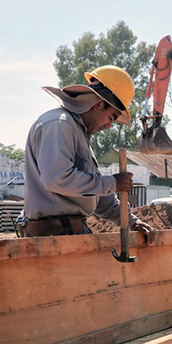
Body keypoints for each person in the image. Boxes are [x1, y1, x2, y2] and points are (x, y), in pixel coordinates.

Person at [24, 66, 152, 238]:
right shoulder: (60, 124)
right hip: (53, 233)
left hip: (68, 230)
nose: (109, 126)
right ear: (98, 104)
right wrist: (112, 183)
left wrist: (132, 221)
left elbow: (98, 196)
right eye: (111, 117)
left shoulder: (78, 132)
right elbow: (57, 179)